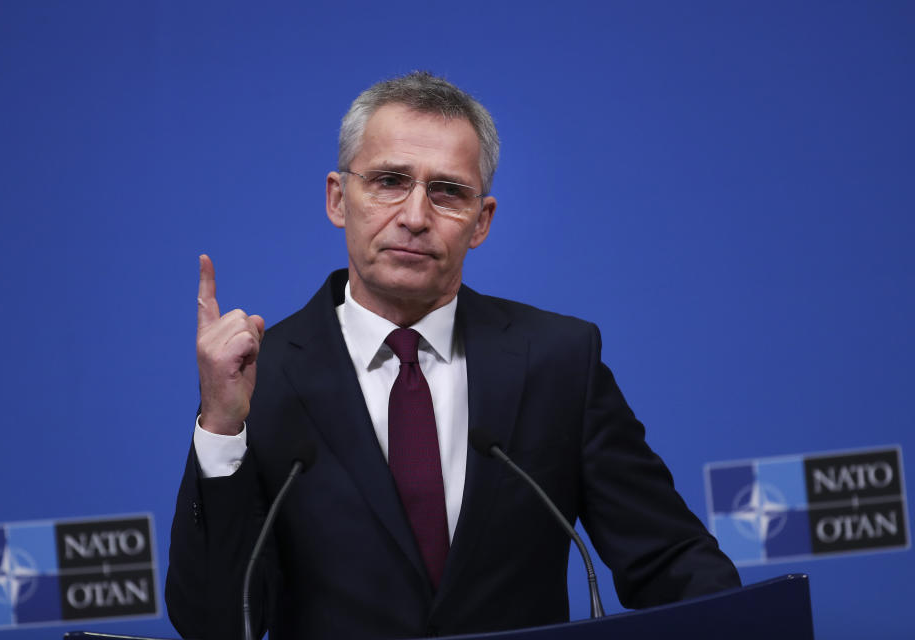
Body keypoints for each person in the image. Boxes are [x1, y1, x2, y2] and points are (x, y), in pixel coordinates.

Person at [165, 71, 740, 640]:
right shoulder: (264, 377)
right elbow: (218, 624)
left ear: (481, 222)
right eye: (390, 181)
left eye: (447, 192)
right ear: (339, 199)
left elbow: (669, 559)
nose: (415, 217)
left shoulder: (558, 360)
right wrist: (220, 425)